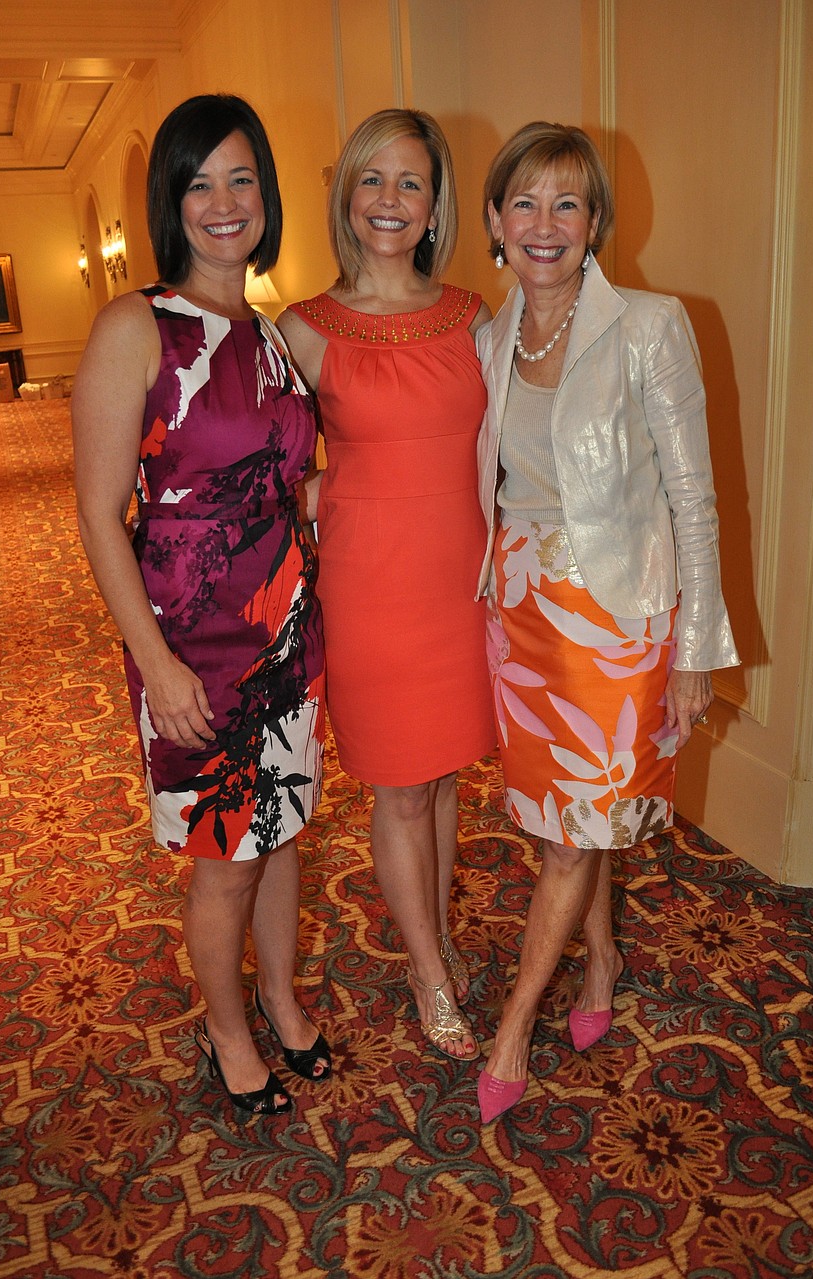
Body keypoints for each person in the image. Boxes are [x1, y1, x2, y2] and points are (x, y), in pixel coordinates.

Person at [72, 94, 331, 1117]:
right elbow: (99, 514)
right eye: (199, 184)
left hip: (286, 631)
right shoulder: (136, 326)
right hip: (191, 642)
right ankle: (228, 1029)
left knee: (282, 832)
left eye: (241, 179)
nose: (224, 203)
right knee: (225, 859)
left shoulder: (267, 331)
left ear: (265, 194)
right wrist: (156, 660)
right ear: (168, 204)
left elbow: (288, 479)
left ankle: (279, 995)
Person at [474, 122, 738, 1122]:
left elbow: (694, 497)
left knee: (576, 841)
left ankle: (512, 1027)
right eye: (525, 204)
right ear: (496, 221)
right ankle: (601, 962)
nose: (545, 224)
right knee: (559, 825)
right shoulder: (487, 338)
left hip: (620, 627)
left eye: (567, 204)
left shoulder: (650, 326)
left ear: (594, 224)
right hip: (524, 620)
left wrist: (694, 649)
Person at [278, 108, 494, 1062]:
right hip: (372, 585)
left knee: (442, 776)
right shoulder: (304, 329)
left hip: (463, 578)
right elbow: (261, 466)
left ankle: (432, 933)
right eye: (373, 179)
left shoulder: (476, 315)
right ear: (345, 195)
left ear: (438, 203)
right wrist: (323, 486)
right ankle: (427, 970)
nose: (391, 201)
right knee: (402, 789)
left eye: (411, 182)